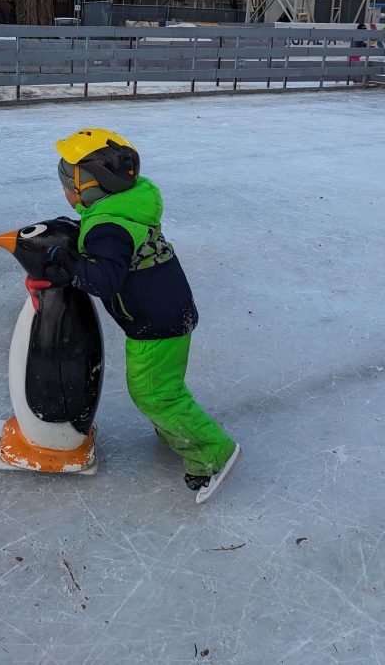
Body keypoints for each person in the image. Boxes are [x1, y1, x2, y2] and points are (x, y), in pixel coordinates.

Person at [42, 128, 241, 503]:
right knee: (164, 388)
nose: (66, 194)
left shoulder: (108, 228)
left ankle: (212, 453)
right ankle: (177, 431)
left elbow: (101, 279)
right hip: (169, 310)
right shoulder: (129, 203)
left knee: (155, 395)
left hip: (155, 324)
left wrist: (67, 260)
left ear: (91, 187)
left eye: (68, 186)